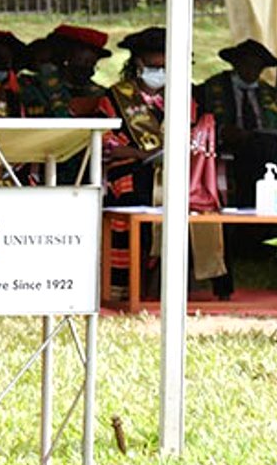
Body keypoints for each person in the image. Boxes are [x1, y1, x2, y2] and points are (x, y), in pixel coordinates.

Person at [96, 27, 232, 300]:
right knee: (139, 189)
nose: (160, 71)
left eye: (166, 66)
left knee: (205, 201)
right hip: (131, 169)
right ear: (138, 63)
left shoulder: (188, 96)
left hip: (183, 173)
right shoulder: (116, 97)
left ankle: (202, 283)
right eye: (154, 66)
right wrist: (143, 155)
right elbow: (106, 143)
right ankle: (133, 284)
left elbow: (202, 135)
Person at [199, 39, 277, 207]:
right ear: (236, 64)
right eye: (247, 64)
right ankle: (246, 208)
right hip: (227, 144)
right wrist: (223, 131)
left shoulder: (268, 92)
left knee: (266, 148)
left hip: (264, 145)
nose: (251, 70)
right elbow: (203, 121)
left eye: (256, 66)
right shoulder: (212, 88)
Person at [47, 24, 111, 116]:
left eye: (92, 63)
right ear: (68, 56)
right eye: (84, 61)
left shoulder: (99, 94)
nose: (88, 67)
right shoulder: (44, 86)